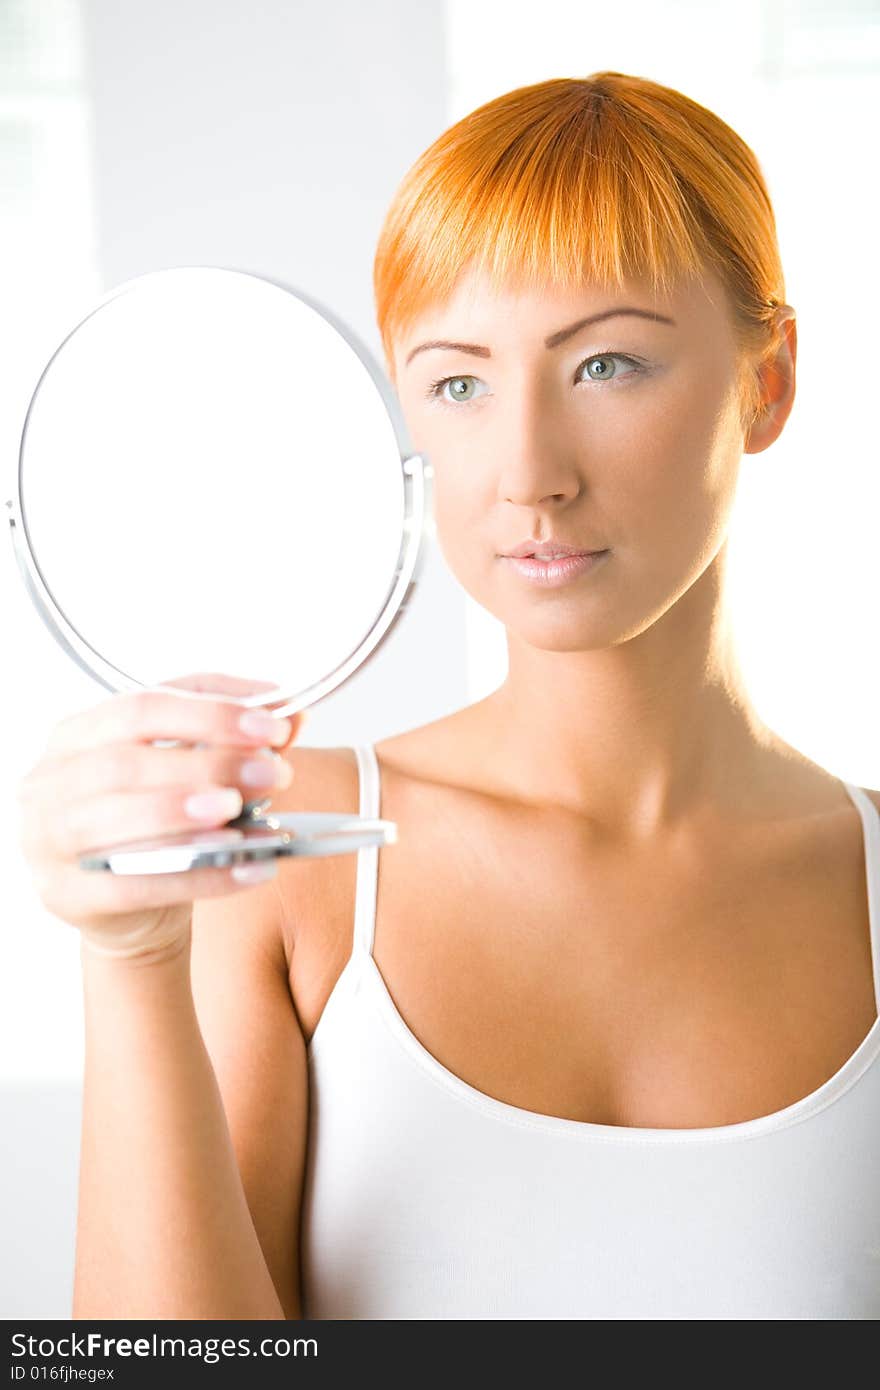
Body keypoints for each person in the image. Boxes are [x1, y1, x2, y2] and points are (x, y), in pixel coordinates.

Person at [18, 71, 880, 1321]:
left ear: (767, 380)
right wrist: (131, 953)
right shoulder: (282, 864)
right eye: (460, 382)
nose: (528, 472)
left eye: (608, 365)